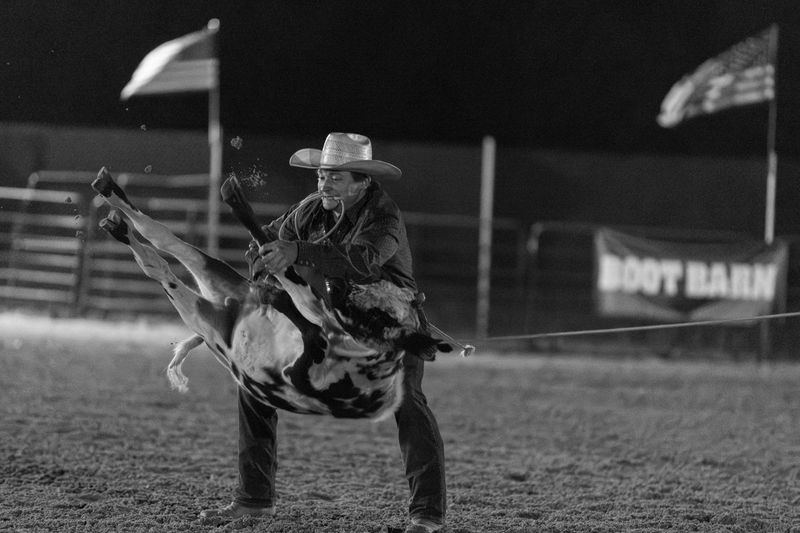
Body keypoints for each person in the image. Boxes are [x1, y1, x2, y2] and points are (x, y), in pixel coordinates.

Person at [200, 132, 446, 533]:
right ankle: (253, 500)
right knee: (256, 382)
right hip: (323, 316)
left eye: (335, 178)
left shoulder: (383, 216)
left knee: (408, 404)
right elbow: (268, 241)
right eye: (320, 176)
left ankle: (427, 515)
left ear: (362, 182)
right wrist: (264, 260)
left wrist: (297, 252)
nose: (323, 185)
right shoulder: (310, 209)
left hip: (386, 319)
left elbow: (364, 261)